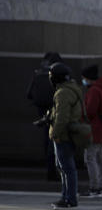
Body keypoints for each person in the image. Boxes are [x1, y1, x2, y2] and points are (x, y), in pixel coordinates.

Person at [47, 62, 83, 209]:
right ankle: (66, 196)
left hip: (64, 135)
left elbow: (62, 117)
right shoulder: (72, 88)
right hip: (69, 133)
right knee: (64, 167)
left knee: (66, 168)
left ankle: (69, 198)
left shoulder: (62, 93)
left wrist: (55, 133)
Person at [27, 52, 62, 181]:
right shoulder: (58, 72)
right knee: (55, 140)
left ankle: (49, 168)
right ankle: (53, 170)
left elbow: (29, 94)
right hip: (55, 109)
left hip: (42, 110)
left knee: (46, 138)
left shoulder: (38, 72)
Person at [80, 65, 102, 197]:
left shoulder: (94, 90)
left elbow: (90, 111)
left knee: (90, 158)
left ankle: (94, 187)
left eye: (84, 78)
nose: (83, 81)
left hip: (93, 128)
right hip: (101, 127)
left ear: (89, 78)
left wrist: (81, 114)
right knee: (100, 157)